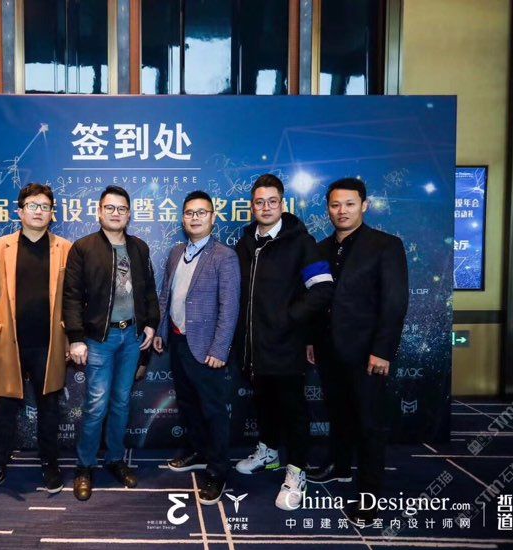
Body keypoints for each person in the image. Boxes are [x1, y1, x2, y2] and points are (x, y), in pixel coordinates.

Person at [307, 177, 409, 526]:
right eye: (335, 205)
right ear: (328, 208)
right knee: (338, 414)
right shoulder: (320, 249)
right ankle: (338, 466)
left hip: (367, 353)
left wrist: (382, 350)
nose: (342, 211)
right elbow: (316, 301)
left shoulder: (385, 245)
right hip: (327, 349)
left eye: (349, 204)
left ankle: (369, 495)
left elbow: (394, 302)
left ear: (364, 205)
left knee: (369, 424)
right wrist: (311, 341)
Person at [233, 174, 333, 511]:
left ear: (282, 204)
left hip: (287, 346)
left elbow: (322, 289)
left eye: (272, 201)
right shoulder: (246, 244)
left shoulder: (301, 242)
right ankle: (269, 453)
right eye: (259, 202)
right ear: (252, 206)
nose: (265, 207)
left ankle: (297, 471)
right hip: (253, 348)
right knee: (264, 404)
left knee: (293, 411)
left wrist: (288, 318)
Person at [0, 183, 72, 502]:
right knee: (3, 411)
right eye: (32, 205)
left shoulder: (66, 248)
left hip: (50, 344)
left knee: (49, 410)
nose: (39, 211)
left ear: (52, 213)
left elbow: (73, 301)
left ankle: (50, 465)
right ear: (20, 211)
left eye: (45, 206)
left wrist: (72, 340)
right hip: (7, 344)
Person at [63, 185, 160, 501]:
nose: (116, 213)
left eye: (122, 208)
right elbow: (71, 297)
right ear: (99, 212)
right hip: (99, 340)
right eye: (110, 208)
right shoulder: (83, 248)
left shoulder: (139, 248)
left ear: (129, 214)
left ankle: (115, 459)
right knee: (96, 405)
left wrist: (150, 324)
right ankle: (85, 466)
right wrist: (76, 338)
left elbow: (149, 291)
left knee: (121, 403)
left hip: (132, 337)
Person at [154, 191, 241, 505]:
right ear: (183, 218)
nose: (195, 218)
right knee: (188, 404)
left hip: (207, 347)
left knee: (213, 410)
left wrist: (219, 349)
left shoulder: (224, 256)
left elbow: (229, 307)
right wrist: (162, 330)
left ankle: (218, 471)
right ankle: (197, 451)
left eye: (201, 212)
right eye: (189, 212)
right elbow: (166, 295)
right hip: (178, 341)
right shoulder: (177, 252)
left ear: (212, 218)